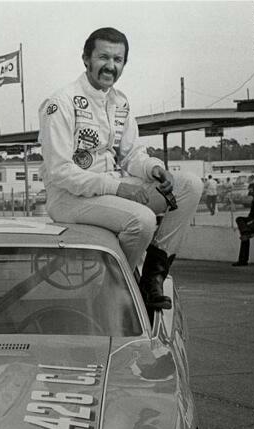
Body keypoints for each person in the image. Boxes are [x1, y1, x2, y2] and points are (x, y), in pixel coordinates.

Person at [38, 26, 203, 311]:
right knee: (142, 220)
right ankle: (113, 291)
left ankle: (152, 277)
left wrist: (153, 169)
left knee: (189, 185)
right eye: (103, 57)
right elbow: (60, 172)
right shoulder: (60, 103)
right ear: (86, 59)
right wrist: (118, 188)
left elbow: (131, 156)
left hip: (112, 190)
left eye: (118, 60)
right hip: (69, 197)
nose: (110, 66)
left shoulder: (120, 102)